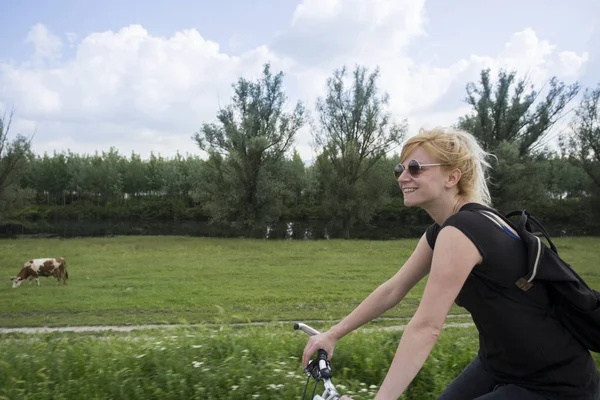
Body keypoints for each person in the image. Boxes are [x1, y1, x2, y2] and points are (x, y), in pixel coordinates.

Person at [301, 127, 600, 400]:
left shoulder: (465, 229)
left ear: (452, 177)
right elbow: (394, 289)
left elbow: (427, 327)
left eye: (415, 168)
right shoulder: (444, 229)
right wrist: (333, 333)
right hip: (499, 364)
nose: (403, 177)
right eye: (400, 168)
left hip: (553, 381)